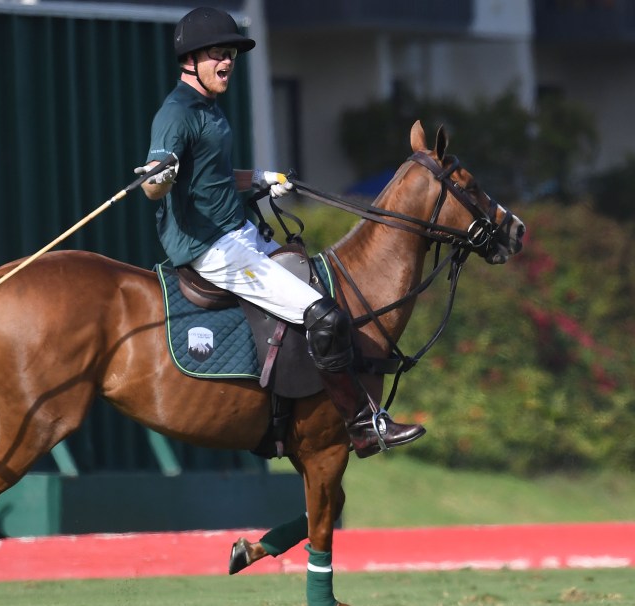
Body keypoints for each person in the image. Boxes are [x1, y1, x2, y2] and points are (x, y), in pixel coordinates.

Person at [136, 6, 425, 459]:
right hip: (209, 247)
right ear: (190, 59)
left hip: (238, 233)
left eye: (230, 53)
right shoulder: (175, 113)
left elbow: (209, 177)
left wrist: (258, 178)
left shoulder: (208, 109)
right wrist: (160, 175)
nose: (227, 61)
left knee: (322, 289)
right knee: (325, 315)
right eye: (217, 53)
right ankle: (360, 424)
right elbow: (154, 185)